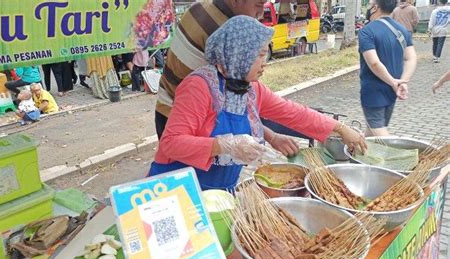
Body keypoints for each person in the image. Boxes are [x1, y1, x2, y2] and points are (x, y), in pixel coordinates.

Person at [148, 16, 366, 191]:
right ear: (238, 55)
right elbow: (171, 143)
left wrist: (340, 128)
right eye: (260, 55)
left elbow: (294, 113)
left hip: (219, 192)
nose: (265, 64)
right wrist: (223, 145)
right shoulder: (199, 87)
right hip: (175, 189)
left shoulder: (251, 89)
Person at [155, 0, 304, 158]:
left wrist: (270, 136)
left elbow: (241, 103)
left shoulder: (200, 7)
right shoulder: (227, 34)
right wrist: (266, 137)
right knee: (180, 164)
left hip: (170, 105)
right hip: (181, 116)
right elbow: (236, 103)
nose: (260, 14)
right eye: (258, 5)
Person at [359, 0, 417, 136]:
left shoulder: (367, 31)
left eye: (370, 4)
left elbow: (374, 63)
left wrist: (393, 82)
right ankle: (357, 151)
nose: (368, 7)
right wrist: (402, 81)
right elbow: (411, 58)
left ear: (375, 8)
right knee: (373, 128)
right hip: (392, 92)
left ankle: (401, 157)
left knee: (379, 131)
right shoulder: (401, 30)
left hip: (374, 90)